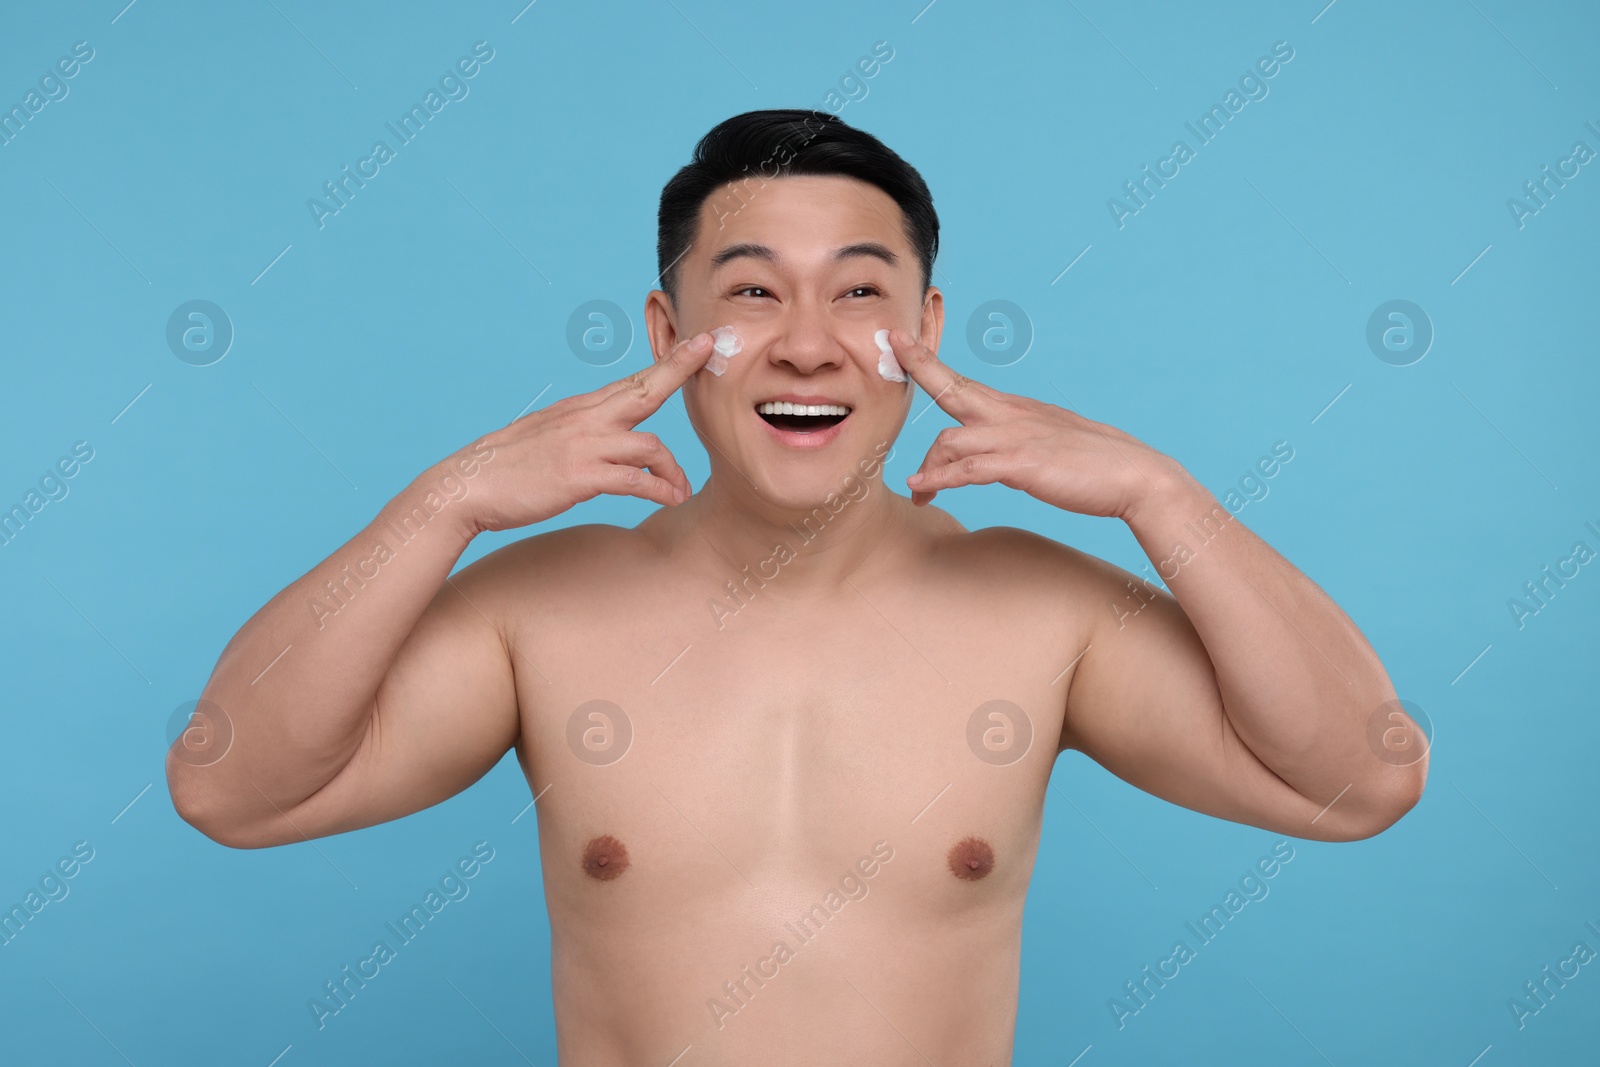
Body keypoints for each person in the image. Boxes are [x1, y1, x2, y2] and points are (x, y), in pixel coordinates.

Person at [168, 109, 1426, 1064]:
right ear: (668, 337)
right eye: (754, 291)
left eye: (860, 291)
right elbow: (229, 786)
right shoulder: (534, 609)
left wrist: (1166, 496)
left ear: (924, 327)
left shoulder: (1045, 612)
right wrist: (440, 502)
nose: (810, 341)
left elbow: (1364, 778)